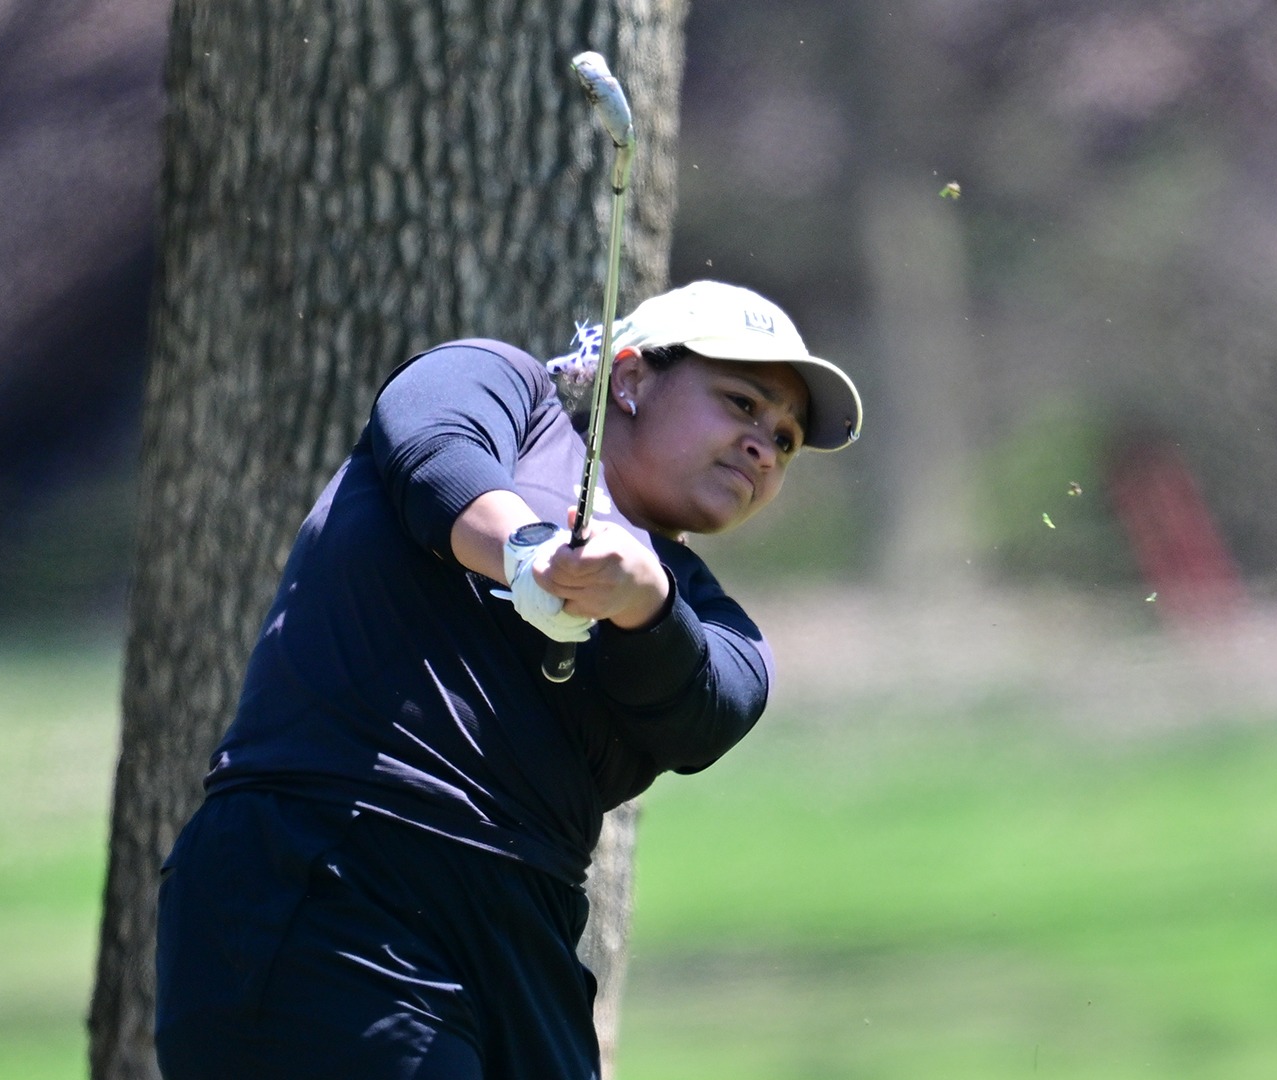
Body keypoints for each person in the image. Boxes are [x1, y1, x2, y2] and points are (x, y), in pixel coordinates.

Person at [153, 280, 863, 1079]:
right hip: (330, 867)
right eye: (742, 403)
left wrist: (640, 601)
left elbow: (708, 709)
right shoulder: (505, 389)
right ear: (628, 379)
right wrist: (529, 555)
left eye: (787, 439)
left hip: (523, 935)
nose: (765, 445)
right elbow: (434, 449)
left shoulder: (706, 614)